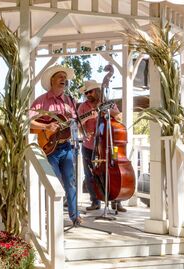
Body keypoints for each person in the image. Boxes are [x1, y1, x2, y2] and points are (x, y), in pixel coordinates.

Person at [30, 65, 93, 225]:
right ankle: (52, 217)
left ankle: (75, 216)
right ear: (52, 80)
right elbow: (28, 121)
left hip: (66, 147)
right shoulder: (42, 101)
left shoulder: (69, 101)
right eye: (60, 76)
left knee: (70, 181)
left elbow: (74, 124)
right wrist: (45, 127)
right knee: (54, 181)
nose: (64, 80)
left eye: (65, 77)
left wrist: (86, 118)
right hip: (49, 148)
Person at [78, 80, 126, 212]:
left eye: (90, 92)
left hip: (109, 144)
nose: (88, 94)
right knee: (90, 174)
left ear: (98, 91)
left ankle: (117, 201)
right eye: (86, 93)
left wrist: (109, 113)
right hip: (89, 145)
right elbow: (78, 124)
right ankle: (95, 201)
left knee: (114, 171)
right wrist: (85, 130)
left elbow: (119, 117)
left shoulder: (108, 103)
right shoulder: (83, 107)